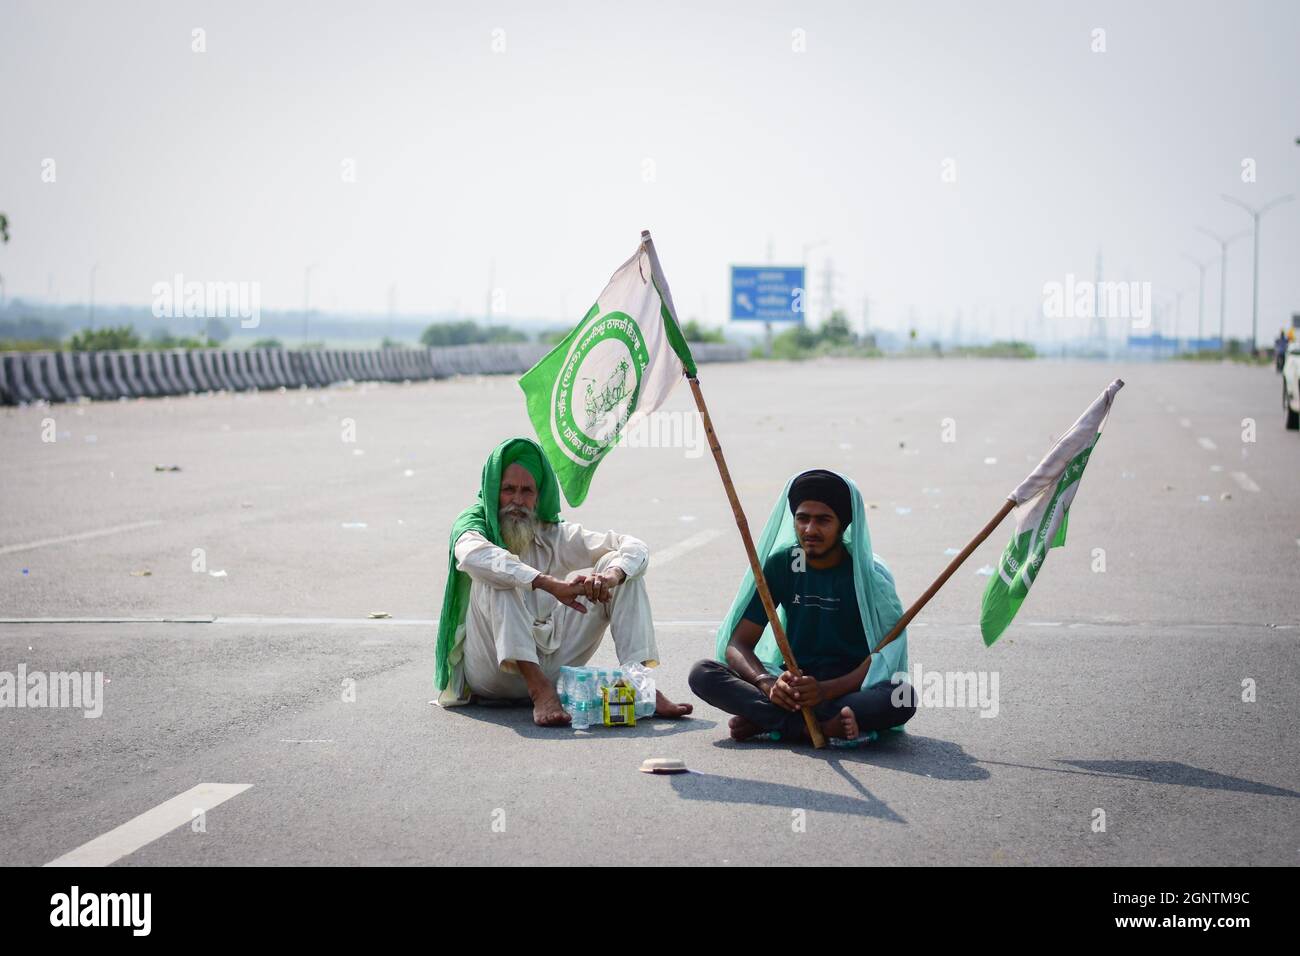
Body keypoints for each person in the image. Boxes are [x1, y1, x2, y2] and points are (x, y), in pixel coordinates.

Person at [434, 437, 692, 726]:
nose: (517, 500)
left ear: (538, 496)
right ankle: (538, 690)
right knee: (499, 575)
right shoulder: (472, 527)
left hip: (552, 662)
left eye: (527, 491)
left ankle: (639, 684)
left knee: (621, 568)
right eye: (508, 490)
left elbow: (634, 546)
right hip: (493, 671)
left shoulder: (551, 534)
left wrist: (610, 576)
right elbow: (472, 556)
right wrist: (547, 583)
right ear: (493, 490)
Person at [689, 468, 916, 744]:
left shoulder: (869, 576)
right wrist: (767, 683)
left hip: (847, 688)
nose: (810, 530)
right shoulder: (783, 565)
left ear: (843, 525)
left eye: (823, 520)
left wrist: (825, 691)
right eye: (802, 519)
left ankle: (770, 721)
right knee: (703, 673)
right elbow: (738, 643)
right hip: (791, 686)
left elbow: (884, 657)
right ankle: (811, 727)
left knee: (902, 696)